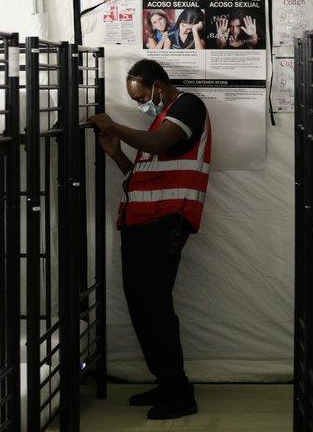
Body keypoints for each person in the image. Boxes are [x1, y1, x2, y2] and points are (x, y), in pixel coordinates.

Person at [87, 59, 211, 421]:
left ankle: (179, 391)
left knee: (154, 305)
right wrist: (118, 155)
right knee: (142, 305)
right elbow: (144, 176)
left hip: (166, 222)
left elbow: (159, 143)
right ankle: (167, 382)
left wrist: (113, 126)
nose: (142, 105)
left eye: (142, 97)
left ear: (158, 86)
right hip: (143, 223)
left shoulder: (188, 106)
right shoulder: (160, 119)